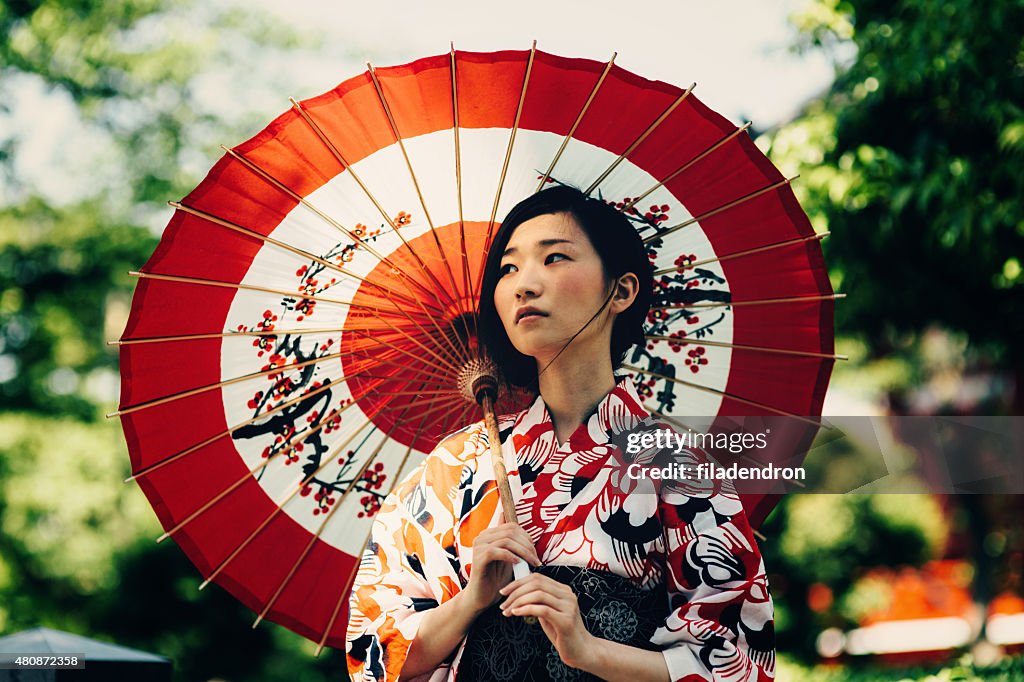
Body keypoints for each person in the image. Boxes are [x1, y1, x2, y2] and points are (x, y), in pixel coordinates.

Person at [346, 185, 776, 681]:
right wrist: (474, 598)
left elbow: (739, 663)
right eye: (508, 268)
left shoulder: (678, 467)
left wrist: (589, 651)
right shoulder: (455, 465)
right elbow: (374, 656)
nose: (524, 284)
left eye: (554, 258)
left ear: (621, 291)